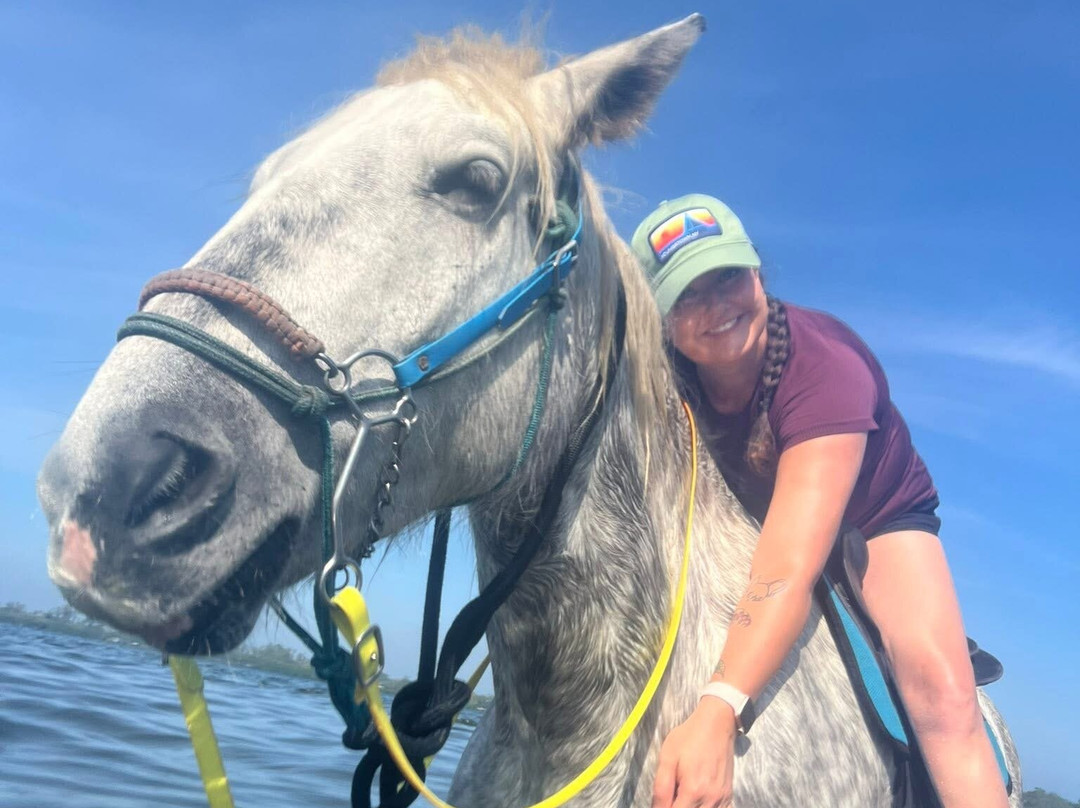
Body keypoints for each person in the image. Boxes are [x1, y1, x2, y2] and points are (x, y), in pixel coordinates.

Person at [630, 195, 1009, 808]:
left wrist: (719, 710)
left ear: (756, 271)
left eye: (726, 277)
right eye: (686, 296)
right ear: (664, 321)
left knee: (942, 696)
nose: (716, 307)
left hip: (874, 520)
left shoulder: (825, 363)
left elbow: (788, 568)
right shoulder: (661, 376)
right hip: (748, 517)